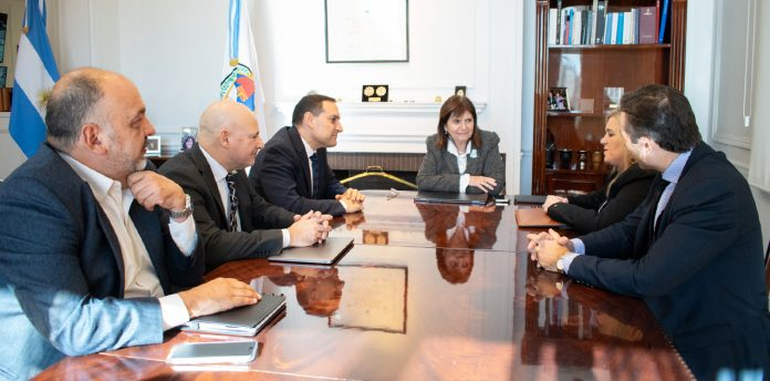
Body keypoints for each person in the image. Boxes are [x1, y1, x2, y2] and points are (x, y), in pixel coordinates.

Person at [0, 68, 260, 380]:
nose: (151, 129)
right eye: (137, 122)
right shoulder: (33, 197)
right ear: (94, 138)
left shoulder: (139, 172)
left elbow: (187, 273)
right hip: (80, 365)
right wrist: (192, 302)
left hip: (157, 340)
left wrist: (180, 209)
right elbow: (74, 327)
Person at [527, 84, 770, 380]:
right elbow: (629, 232)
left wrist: (564, 261)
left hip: (712, 350)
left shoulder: (713, 188)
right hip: (673, 320)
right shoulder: (673, 170)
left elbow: (646, 278)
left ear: (645, 145)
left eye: (623, 135)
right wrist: (573, 246)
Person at [159, 99, 332, 270]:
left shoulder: (235, 168)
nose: (261, 143)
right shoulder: (181, 176)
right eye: (254, 136)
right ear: (225, 139)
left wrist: (302, 221)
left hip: (242, 269)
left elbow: (260, 210)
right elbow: (211, 244)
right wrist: (289, 236)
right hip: (210, 279)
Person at [249, 94, 364, 217]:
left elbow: (329, 183)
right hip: (279, 227)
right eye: (333, 119)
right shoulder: (277, 152)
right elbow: (291, 206)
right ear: (310, 120)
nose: (340, 128)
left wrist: (348, 195)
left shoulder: (318, 146)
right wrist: (344, 205)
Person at [542, 111, 655, 234]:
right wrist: (566, 200)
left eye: (610, 134)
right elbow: (598, 198)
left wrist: (556, 207)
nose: (602, 140)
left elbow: (600, 224)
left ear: (629, 139)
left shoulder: (641, 177)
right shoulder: (619, 172)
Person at [416, 95, 505, 195]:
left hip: (479, 205)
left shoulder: (488, 141)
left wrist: (445, 185)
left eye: (468, 120)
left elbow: (495, 185)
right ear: (445, 126)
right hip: (445, 205)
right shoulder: (434, 144)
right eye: (457, 121)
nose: (464, 127)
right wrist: (467, 180)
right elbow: (423, 181)